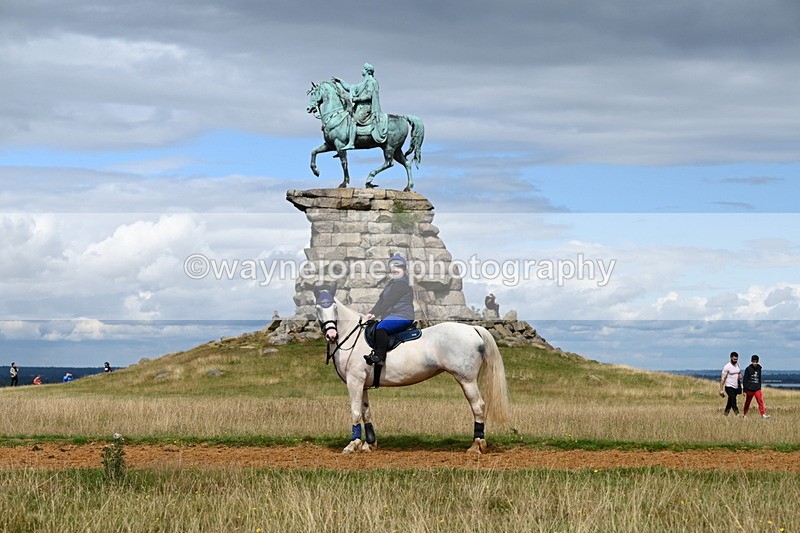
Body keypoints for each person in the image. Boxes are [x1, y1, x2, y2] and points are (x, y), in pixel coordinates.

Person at [363, 253, 414, 365]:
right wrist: (370, 313)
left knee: (381, 327)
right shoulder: (392, 283)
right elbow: (381, 301)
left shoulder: (402, 283)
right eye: (393, 267)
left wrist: (375, 315)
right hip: (393, 315)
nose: (395, 269)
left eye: (398, 267)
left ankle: (380, 357)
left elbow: (389, 302)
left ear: (403, 269)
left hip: (402, 315)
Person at [332, 62, 388, 151]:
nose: (361, 71)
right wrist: (340, 82)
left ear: (367, 71)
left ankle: (351, 143)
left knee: (353, 120)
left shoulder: (371, 82)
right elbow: (350, 88)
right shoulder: (364, 82)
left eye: (363, 69)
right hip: (360, 107)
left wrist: (357, 99)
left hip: (366, 108)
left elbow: (369, 96)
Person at [742, 354, 770, 419]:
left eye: (756, 361)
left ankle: (763, 414)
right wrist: (744, 390)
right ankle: (745, 414)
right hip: (749, 389)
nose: (755, 363)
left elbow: (759, 378)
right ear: (751, 361)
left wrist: (759, 388)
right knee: (747, 402)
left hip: (757, 388)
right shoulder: (748, 369)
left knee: (760, 400)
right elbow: (745, 379)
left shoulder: (759, 369)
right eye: (754, 361)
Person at [719, 351, 742, 416]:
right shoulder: (727, 366)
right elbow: (723, 379)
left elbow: (739, 372)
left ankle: (725, 414)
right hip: (729, 386)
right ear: (731, 358)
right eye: (734, 359)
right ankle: (737, 414)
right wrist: (721, 389)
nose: (735, 360)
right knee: (733, 400)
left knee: (730, 401)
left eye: (737, 359)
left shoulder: (737, 365)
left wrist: (740, 375)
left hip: (736, 386)